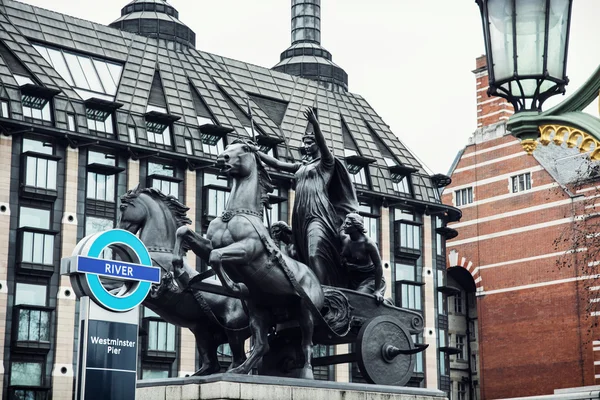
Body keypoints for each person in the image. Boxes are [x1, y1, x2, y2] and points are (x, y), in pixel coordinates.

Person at [254, 108, 358, 287]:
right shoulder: (301, 166)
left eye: (310, 142)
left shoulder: (326, 163)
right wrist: (255, 152)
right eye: (305, 143)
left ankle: (323, 291)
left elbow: (324, 145)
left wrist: (316, 124)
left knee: (315, 252)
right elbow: (277, 164)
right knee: (302, 255)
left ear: (317, 143)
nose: (306, 146)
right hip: (300, 214)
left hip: (318, 212)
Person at [340, 212, 385, 304]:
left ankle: (387, 303)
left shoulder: (368, 244)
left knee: (357, 300)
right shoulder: (344, 238)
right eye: (345, 223)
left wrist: (377, 290)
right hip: (353, 278)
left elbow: (379, 266)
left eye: (348, 224)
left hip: (370, 279)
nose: (344, 226)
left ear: (356, 227)